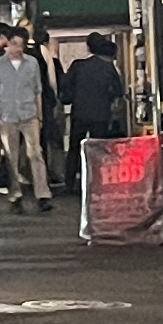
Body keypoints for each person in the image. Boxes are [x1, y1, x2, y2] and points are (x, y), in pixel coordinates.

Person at [0, 24, 51, 210]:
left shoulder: (32, 63)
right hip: (7, 115)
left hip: (29, 114)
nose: (17, 49)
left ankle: (42, 194)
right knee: (11, 156)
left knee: (35, 154)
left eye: (21, 45)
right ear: (8, 43)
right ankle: (15, 195)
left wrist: (40, 115)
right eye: (14, 44)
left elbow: (37, 90)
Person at [57, 29, 129, 200]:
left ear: (88, 48)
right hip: (101, 115)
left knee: (74, 148)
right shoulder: (108, 68)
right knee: (98, 150)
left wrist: (68, 99)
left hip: (79, 113)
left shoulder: (78, 66)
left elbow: (65, 87)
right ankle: (97, 182)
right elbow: (118, 92)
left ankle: (69, 184)